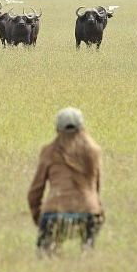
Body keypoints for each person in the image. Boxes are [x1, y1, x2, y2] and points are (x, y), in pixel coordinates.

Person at [27, 107, 104, 255]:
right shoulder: (93, 151)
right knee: (87, 253)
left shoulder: (49, 151)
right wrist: (96, 209)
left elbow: (34, 192)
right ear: (82, 128)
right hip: (89, 212)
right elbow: (96, 187)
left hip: (55, 212)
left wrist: (39, 217)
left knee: (45, 257)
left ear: (57, 129)